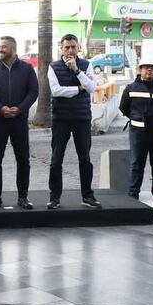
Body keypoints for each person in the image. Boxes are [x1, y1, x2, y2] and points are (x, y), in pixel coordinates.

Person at [0, 36, 38, 210]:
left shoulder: (27, 69)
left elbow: (33, 91)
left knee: (23, 160)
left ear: (13, 49)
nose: (0, 50)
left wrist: (20, 109)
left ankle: (23, 197)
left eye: (4, 47)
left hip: (19, 121)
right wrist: (0, 108)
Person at [47, 35, 101, 209]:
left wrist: (77, 71)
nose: (70, 50)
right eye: (67, 47)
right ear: (61, 49)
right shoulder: (53, 67)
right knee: (56, 159)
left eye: (73, 47)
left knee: (85, 158)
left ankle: (87, 195)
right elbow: (55, 91)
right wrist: (78, 89)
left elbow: (92, 88)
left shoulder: (86, 65)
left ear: (78, 48)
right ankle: (54, 197)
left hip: (82, 118)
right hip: (60, 118)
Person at [118, 58, 153, 207]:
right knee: (136, 165)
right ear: (140, 70)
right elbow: (123, 108)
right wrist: (136, 119)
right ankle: (133, 195)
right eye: (146, 68)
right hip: (138, 134)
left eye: (152, 68)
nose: (149, 71)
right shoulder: (131, 88)